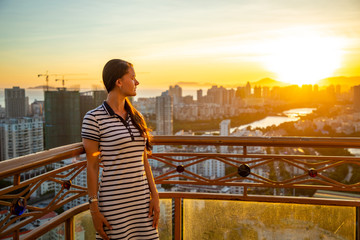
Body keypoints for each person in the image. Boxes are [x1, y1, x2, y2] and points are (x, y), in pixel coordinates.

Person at [81, 59, 160, 240]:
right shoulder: (93, 118)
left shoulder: (137, 116)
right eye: (133, 77)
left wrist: (155, 196)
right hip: (114, 204)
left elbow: (143, 160)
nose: (137, 82)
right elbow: (92, 166)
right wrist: (94, 209)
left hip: (141, 203)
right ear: (119, 82)